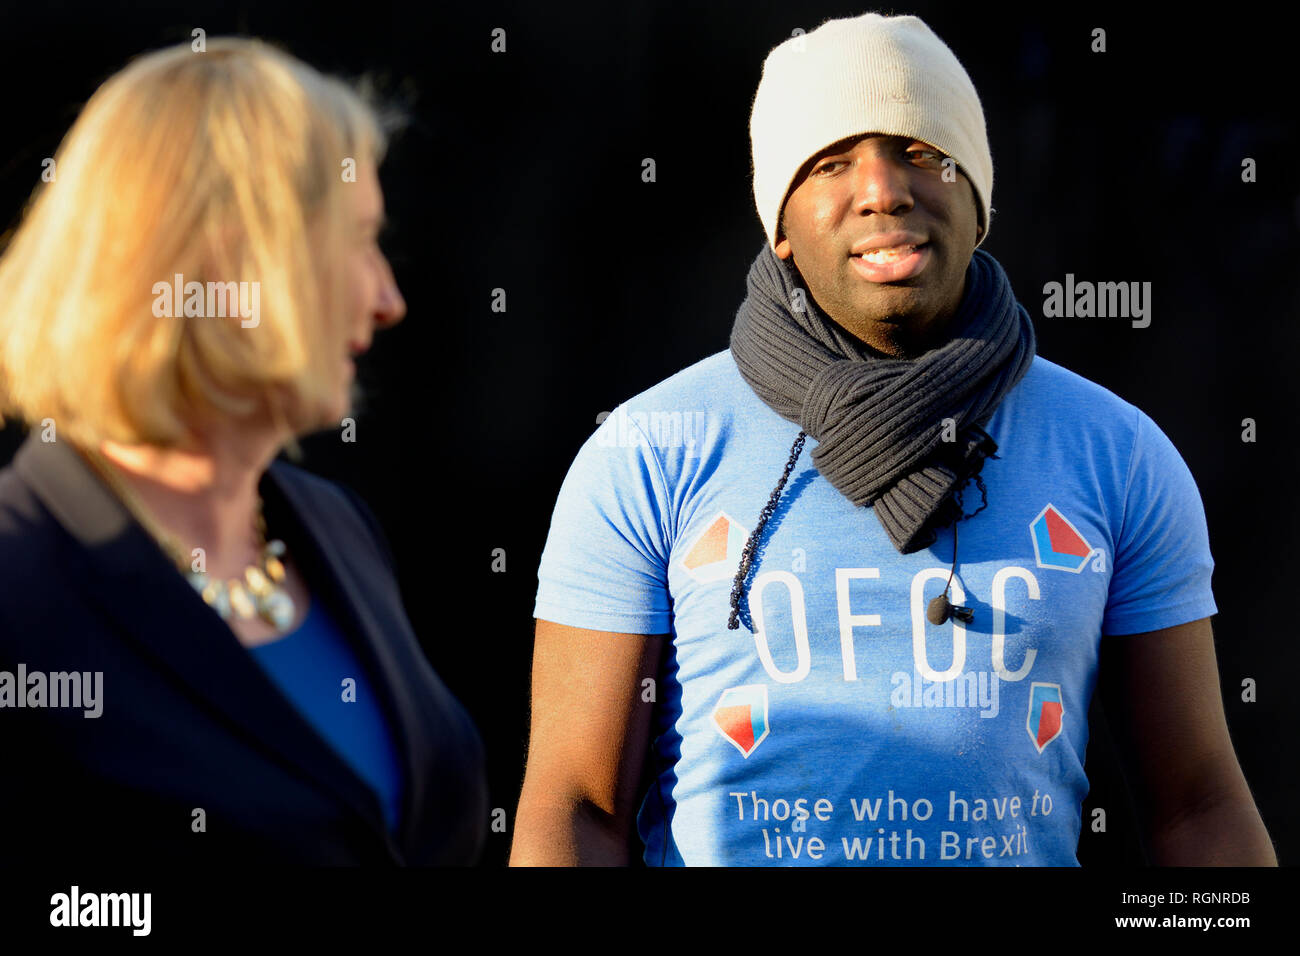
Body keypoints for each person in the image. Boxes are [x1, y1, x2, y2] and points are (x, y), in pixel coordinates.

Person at [512, 12, 1276, 866]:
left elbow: (1199, 807)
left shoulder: (1118, 454)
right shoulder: (650, 453)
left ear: (978, 199)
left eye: (922, 152)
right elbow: (575, 811)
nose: (882, 189)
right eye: (831, 162)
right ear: (780, 224)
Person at [0, 37, 487, 865]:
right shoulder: (21, 577)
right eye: (359, 240)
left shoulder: (333, 528)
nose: (387, 298)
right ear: (235, 257)